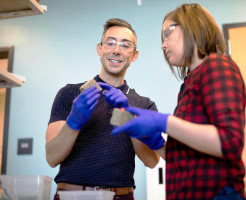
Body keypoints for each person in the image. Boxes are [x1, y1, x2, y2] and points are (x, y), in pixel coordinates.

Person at [109, 4, 246, 200]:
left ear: (193, 27)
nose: (163, 45)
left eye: (167, 33)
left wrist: (163, 122)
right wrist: (156, 143)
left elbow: (229, 142)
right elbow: (186, 159)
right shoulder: (189, 83)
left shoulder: (217, 65)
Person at [45, 18, 160, 200]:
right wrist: (74, 121)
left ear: (134, 55)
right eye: (110, 43)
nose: (116, 50)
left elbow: (152, 161)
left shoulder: (143, 105)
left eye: (125, 45)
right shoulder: (71, 93)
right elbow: (52, 157)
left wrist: (129, 118)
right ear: (100, 49)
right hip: (71, 195)